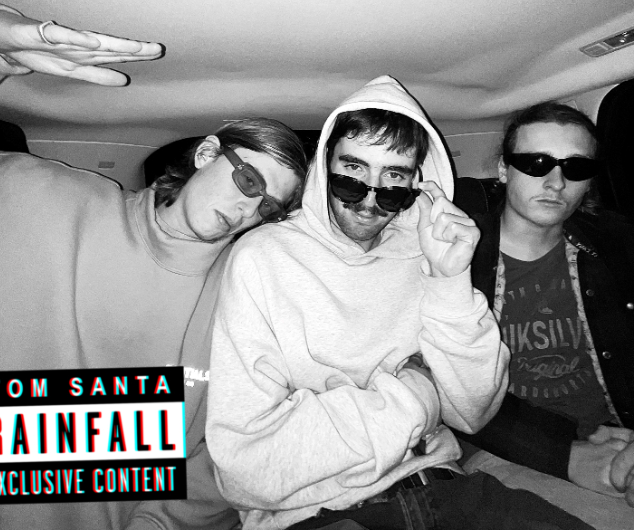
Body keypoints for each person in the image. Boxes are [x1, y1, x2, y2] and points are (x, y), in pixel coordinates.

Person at [0, 0, 307, 530]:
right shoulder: (49, 200)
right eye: (248, 181)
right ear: (207, 153)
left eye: (267, 207)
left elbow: (221, 461)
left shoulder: (240, 302)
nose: (248, 208)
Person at [206, 75, 594, 530]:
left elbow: (473, 414)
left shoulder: (425, 253)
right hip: (320, 515)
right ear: (324, 167)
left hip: (448, 490)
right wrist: (418, 393)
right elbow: (247, 469)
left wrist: (449, 279)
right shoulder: (262, 259)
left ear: (417, 183)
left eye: (393, 180)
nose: (370, 201)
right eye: (352, 173)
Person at [457, 101, 634, 529]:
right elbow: (450, 396)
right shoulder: (457, 259)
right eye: (536, 164)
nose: (556, 182)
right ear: (503, 170)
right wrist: (565, 453)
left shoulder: (616, 242)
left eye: (576, 167)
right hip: (509, 446)